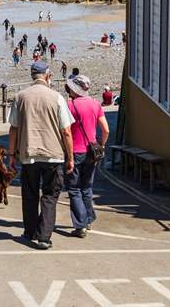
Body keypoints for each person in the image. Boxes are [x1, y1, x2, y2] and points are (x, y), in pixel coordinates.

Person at [9, 61, 73, 249]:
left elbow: (13, 128)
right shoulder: (57, 97)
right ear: (47, 75)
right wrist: (70, 157)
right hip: (53, 155)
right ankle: (44, 236)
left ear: (32, 75)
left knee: (29, 194)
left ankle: (29, 232)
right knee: (50, 195)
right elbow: (66, 131)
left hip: (29, 154)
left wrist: (11, 154)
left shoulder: (20, 97)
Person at [64, 75, 110, 237]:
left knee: (74, 188)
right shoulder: (95, 104)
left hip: (75, 151)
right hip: (91, 151)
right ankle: (88, 219)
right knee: (87, 187)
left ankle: (80, 224)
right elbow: (106, 129)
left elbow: (66, 131)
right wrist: (101, 145)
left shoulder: (69, 105)